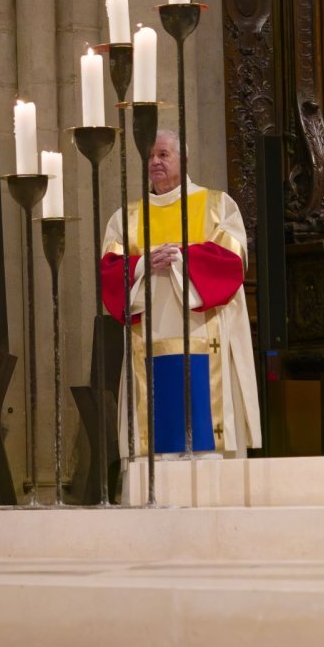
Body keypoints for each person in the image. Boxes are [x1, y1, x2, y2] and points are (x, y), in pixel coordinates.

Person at [100, 130, 261, 458]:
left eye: (163, 155)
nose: (154, 162)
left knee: (204, 421)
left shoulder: (217, 205)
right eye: (150, 156)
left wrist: (181, 258)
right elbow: (110, 270)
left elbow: (231, 262)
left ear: (183, 160)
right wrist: (145, 262)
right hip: (149, 334)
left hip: (204, 328)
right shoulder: (128, 217)